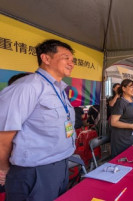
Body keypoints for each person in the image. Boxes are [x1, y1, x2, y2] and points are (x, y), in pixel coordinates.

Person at [0, 39, 76, 201]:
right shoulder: (27, 87)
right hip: (34, 171)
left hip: (60, 165)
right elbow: (3, 137)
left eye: (72, 59)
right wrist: (5, 169)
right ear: (46, 59)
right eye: (66, 57)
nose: (71, 63)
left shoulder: (59, 89)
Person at [110, 79, 133, 158]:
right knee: (122, 160)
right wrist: (130, 126)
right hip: (122, 139)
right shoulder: (120, 102)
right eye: (131, 87)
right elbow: (113, 122)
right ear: (124, 88)